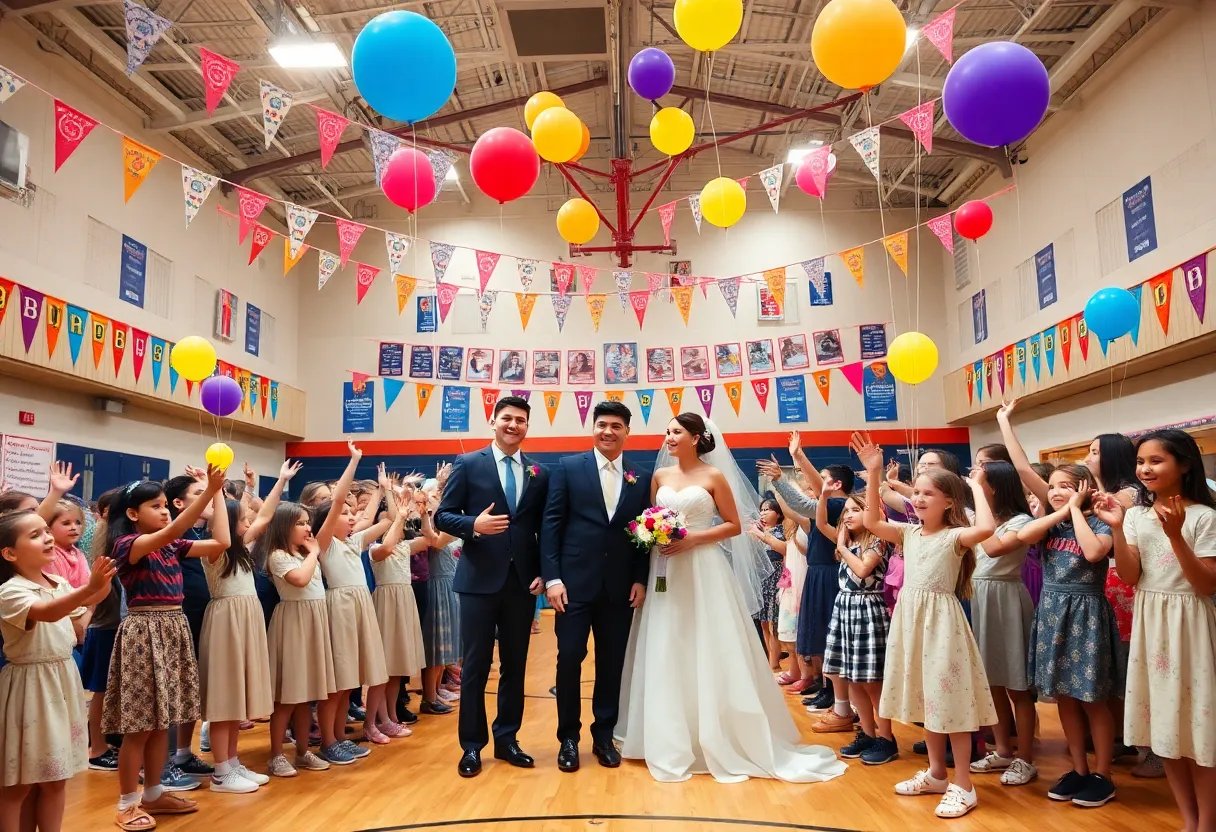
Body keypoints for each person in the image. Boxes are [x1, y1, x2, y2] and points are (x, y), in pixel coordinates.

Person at [615, 412, 846, 784]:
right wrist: (651, 534)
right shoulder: (659, 477)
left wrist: (691, 538)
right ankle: (667, 732)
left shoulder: (714, 476)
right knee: (667, 641)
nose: (668, 438)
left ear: (695, 437)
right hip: (664, 568)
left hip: (701, 567)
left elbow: (733, 525)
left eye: (675, 432)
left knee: (706, 641)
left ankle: (717, 732)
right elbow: (650, 517)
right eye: (667, 432)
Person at [854, 431, 997, 819]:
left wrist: (978, 488)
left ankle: (963, 783)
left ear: (949, 501)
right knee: (928, 702)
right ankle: (936, 773)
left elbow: (987, 529)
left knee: (950, 703)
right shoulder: (907, 533)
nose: (917, 499)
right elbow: (870, 519)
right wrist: (873, 473)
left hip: (943, 627)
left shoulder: (955, 536)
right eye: (915, 492)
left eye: (927, 494)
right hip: (911, 623)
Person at [1095, 430, 1216, 831]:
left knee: (1199, 731)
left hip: (1191, 625)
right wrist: (1115, 529)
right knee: (1164, 726)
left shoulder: (1205, 516)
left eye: (1156, 460)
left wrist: (1176, 535)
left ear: (1184, 464)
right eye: (1141, 461)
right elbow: (1130, 577)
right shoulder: (1135, 515)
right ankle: (1188, 820)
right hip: (1151, 623)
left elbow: (1205, 585)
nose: (1145, 469)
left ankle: (1207, 823)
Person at [102, 468, 229, 829]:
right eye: (155, 506)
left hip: (173, 628)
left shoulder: (171, 544)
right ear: (131, 514)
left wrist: (216, 495)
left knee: (162, 723)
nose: (164, 512)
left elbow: (221, 542)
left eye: (165, 506)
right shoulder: (128, 546)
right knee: (139, 726)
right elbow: (172, 529)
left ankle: (154, 794)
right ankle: (127, 802)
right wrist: (208, 493)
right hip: (144, 634)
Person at [435, 396, 549, 778]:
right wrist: (473, 526)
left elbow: (543, 530)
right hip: (478, 581)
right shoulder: (468, 464)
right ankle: (471, 746)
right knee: (476, 667)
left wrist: (543, 572)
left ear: (527, 426)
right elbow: (443, 515)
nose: (513, 425)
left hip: (521, 584)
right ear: (493, 421)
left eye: (520, 420)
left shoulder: (538, 472)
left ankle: (507, 739)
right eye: (506, 418)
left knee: (515, 666)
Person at [540, 401, 652, 773]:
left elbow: (643, 534)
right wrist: (552, 579)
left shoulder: (641, 475)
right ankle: (568, 739)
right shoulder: (569, 468)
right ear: (593, 427)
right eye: (602, 424)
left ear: (627, 432)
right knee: (569, 658)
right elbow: (551, 525)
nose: (608, 431)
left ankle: (604, 736)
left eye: (616, 426)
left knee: (611, 664)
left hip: (619, 588)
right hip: (571, 586)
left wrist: (640, 578)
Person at [0, 510, 116, 832]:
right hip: (31, 688)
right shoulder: (9, 591)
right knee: (19, 784)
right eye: (35, 535)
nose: (47, 537)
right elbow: (48, 613)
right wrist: (89, 588)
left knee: (54, 779)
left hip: (62, 682)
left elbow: (85, 604)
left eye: (45, 531)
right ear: (10, 553)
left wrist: (102, 583)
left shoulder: (59, 582)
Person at [1017, 464, 1119, 808]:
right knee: (1064, 697)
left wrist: (1076, 509)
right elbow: (1024, 536)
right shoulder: (1051, 523)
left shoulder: (1101, 520)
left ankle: (1102, 775)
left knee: (1093, 699)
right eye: (1053, 486)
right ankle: (1078, 768)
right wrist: (1063, 508)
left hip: (1087, 613)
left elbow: (1093, 553)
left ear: (1085, 488)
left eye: (1066, 486)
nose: (1056, 491)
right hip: (1051, 613)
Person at [967, 461, 1038, 787]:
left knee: (1017, 685)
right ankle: (1004, 750)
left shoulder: (1021, 521)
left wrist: (975, 490)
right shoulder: (980, 517)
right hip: (980, 597)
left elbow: (993, 548)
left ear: (994, 486)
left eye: (982, 479)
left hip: (1007, 598)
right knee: (991, 681)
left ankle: (1025, 758)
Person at [814, 487, 896, 764]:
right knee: (851, 679)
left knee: (872, 681)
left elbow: (863, 570)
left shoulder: (877, 541)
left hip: (868, 609)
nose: (848, 515)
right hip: (846, 608)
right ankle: (868, 732)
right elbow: (821, 524)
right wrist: (823, 498)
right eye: (846, 510)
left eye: (855, 509)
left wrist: (840, 548)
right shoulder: (849, 541)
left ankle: (887, 738)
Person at [258, 501, 335, 779]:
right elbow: (300, 579)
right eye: (300, 523)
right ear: (283, 526)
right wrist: (314, 552)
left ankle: (302, 752)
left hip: (314, 621)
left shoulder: (303, 552)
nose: (307, 528)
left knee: (306, 697)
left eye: (307, 522)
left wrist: (311, 551)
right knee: (287, 697)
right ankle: (276, 755)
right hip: (293, 623)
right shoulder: (278, 555)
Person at [370, 486, 432, 737]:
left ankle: (392, 717)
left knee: (396, 667)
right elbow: (386, 548)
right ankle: (377, 720)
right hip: (387, 602)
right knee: (384, 667)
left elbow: (429, 538)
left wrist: (425, 512)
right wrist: (398, 515)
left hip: (404, 600)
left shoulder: (405, 547)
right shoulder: (374, 549)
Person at [745, 497, 791, 673]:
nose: (763, 513)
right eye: (762, 510)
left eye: (768, 510)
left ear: (779, 514)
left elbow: (782, 550)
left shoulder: (782, 531)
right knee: (763, 622)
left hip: (776, 578)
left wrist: (761, 535)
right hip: (760, 579)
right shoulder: (758, 530)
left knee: (774, 623)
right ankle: (769, 660)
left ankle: (775, 662)